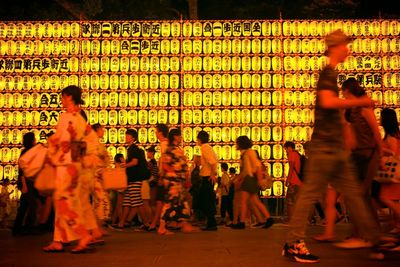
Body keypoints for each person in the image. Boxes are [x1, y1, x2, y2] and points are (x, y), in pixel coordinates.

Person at [282, 29, 382, 263]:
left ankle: (376, 239)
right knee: (311, 195)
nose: (348, 49)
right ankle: (294, 242)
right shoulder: (327, 74)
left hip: (334, 149)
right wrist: (361, 101)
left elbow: (331, 109)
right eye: (345, 45)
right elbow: (327, 102)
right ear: (336, 48)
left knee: (354, 195)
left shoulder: (332, 75)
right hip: (324, 149)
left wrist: (346, 132)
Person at [315, 78, 383, 244]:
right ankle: (364, 234)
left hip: (368, 156)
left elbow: (375, 132)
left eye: (343, 93)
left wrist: (380, 154)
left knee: (360, 196)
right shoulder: (350, 111)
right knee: (358, 197)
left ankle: (368, 235)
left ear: (347, 91)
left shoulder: (363, 109)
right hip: (356, 156)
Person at [43, 85, 94, 253]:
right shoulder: (80, 118)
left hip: (65, 164)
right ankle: (59, 239)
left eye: (63, 97)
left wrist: (50, 150)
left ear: (69, 97)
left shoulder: (66, 117)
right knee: (66, 202)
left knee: (63, 202)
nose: (62, 100)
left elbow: (61, 140)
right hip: (76, 164)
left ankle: (82, 234)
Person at [158, 128, 198, 235]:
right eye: (179, 136)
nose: (181, 138)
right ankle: (162, 227)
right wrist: (174, 173)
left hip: (177, 180)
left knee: (181, 203)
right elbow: (165, 164)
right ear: (175, 137)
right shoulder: (171, 149)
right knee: (169, 203)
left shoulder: (174, 149)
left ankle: (184, 224)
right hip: (173, 181)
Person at [231, 136, 273, 229]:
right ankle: (268, 218)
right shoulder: (245, 153)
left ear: (241, 144)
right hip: (249, 179)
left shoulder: (250, 152)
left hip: (250, 179)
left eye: (237, 143)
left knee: (244, 201)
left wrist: (259, 179)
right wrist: (239, 179)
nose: (235, 145)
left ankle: (241, 222)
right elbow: (246, 170)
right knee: (255, 201)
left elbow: (257, 166)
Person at [117, 129, 149, 230]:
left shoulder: (133, 148)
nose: (125, 137)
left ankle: (146, 223)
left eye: (127, 136)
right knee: (127, 201)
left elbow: (135, 162)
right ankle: (121, 223)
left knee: (137, 201)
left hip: (135, 178)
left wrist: (124, 165)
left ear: (133, 138)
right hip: (132, 179)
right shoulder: (130, 149)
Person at [378, 108, 400, 235]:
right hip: (396, 172)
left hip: (392, 171)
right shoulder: (396, 134)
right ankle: (397, 225)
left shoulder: (391, 137)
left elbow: (394, 153)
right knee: (395, 199)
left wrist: (382, 151)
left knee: (384, 197)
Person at [13, 132, 39, 236]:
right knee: (32, 205)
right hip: (26, 182)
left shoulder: (26, 151)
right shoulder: (27, 152)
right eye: (34, 139)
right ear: (31, 140)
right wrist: (24, 185)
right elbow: (22, 171)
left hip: (28, 182)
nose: (35, 141)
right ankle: (28, 227)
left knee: (24, 205)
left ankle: (18, 228)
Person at [148, 124, 169, 231]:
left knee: (160, 201)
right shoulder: (165, 143)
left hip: (165, 177)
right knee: (161, 201)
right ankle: (157, 223)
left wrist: (162, 176)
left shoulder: (164, 144)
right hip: (166, 177)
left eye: (156, 131)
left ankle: (155, 223)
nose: (155, 133)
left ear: (160, 132)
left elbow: (165, 161)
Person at [91, 123, 111, 234]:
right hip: (97, 176)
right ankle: (97, 228)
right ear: (97, 130)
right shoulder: (95, 145)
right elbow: (100, 161)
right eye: (102, 129)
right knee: (102, 201)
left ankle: (97, 228)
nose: (103, 131)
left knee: (98, 202)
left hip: (97, 176)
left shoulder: (97, 144)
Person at [197, 130, 218, 231]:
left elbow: (212, 162)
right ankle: (210, 222)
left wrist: (213, 175)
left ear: (199, 139)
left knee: (205, 200)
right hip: (208, 176)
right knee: (206, 200)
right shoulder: (208, 147)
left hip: (208, 177)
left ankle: (211, 223)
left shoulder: (205, 148)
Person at [283, 141, 303, 223]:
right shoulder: (297, 154)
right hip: (299, 182)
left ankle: (290, 219)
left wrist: (288, 180)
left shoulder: (292, 154)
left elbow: (291, 168)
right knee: (296, 201)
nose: (285, 151)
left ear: (289, 147)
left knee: (290, 201)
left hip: (294, 181)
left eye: (285, 149)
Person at [110, 153, 125, 227]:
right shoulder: (122, 165)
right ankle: (121, 220)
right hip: (121, 186)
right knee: (119, 204)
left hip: (117, 186)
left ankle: (114, 220)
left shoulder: (116, 166)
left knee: (117, 204)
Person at [189, 155, 202, 223]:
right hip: (197, 189)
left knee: (195, 204)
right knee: (196, 204)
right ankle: (195, 218)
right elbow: (196, 181)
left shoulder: (196, 170)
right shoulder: (196, 170)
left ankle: (195, 218)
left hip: (195, 189)